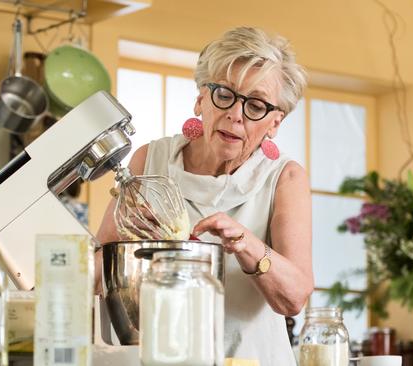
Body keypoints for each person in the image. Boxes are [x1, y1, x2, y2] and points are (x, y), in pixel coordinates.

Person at [96, 26, 313, 365]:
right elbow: (99, 272)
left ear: (274, 122)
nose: (236, 114)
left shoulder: (285, 178)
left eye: (255, 105)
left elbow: (294, 298)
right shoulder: (150, 161)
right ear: (201, 98)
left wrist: (246, 244)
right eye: (224, 94)